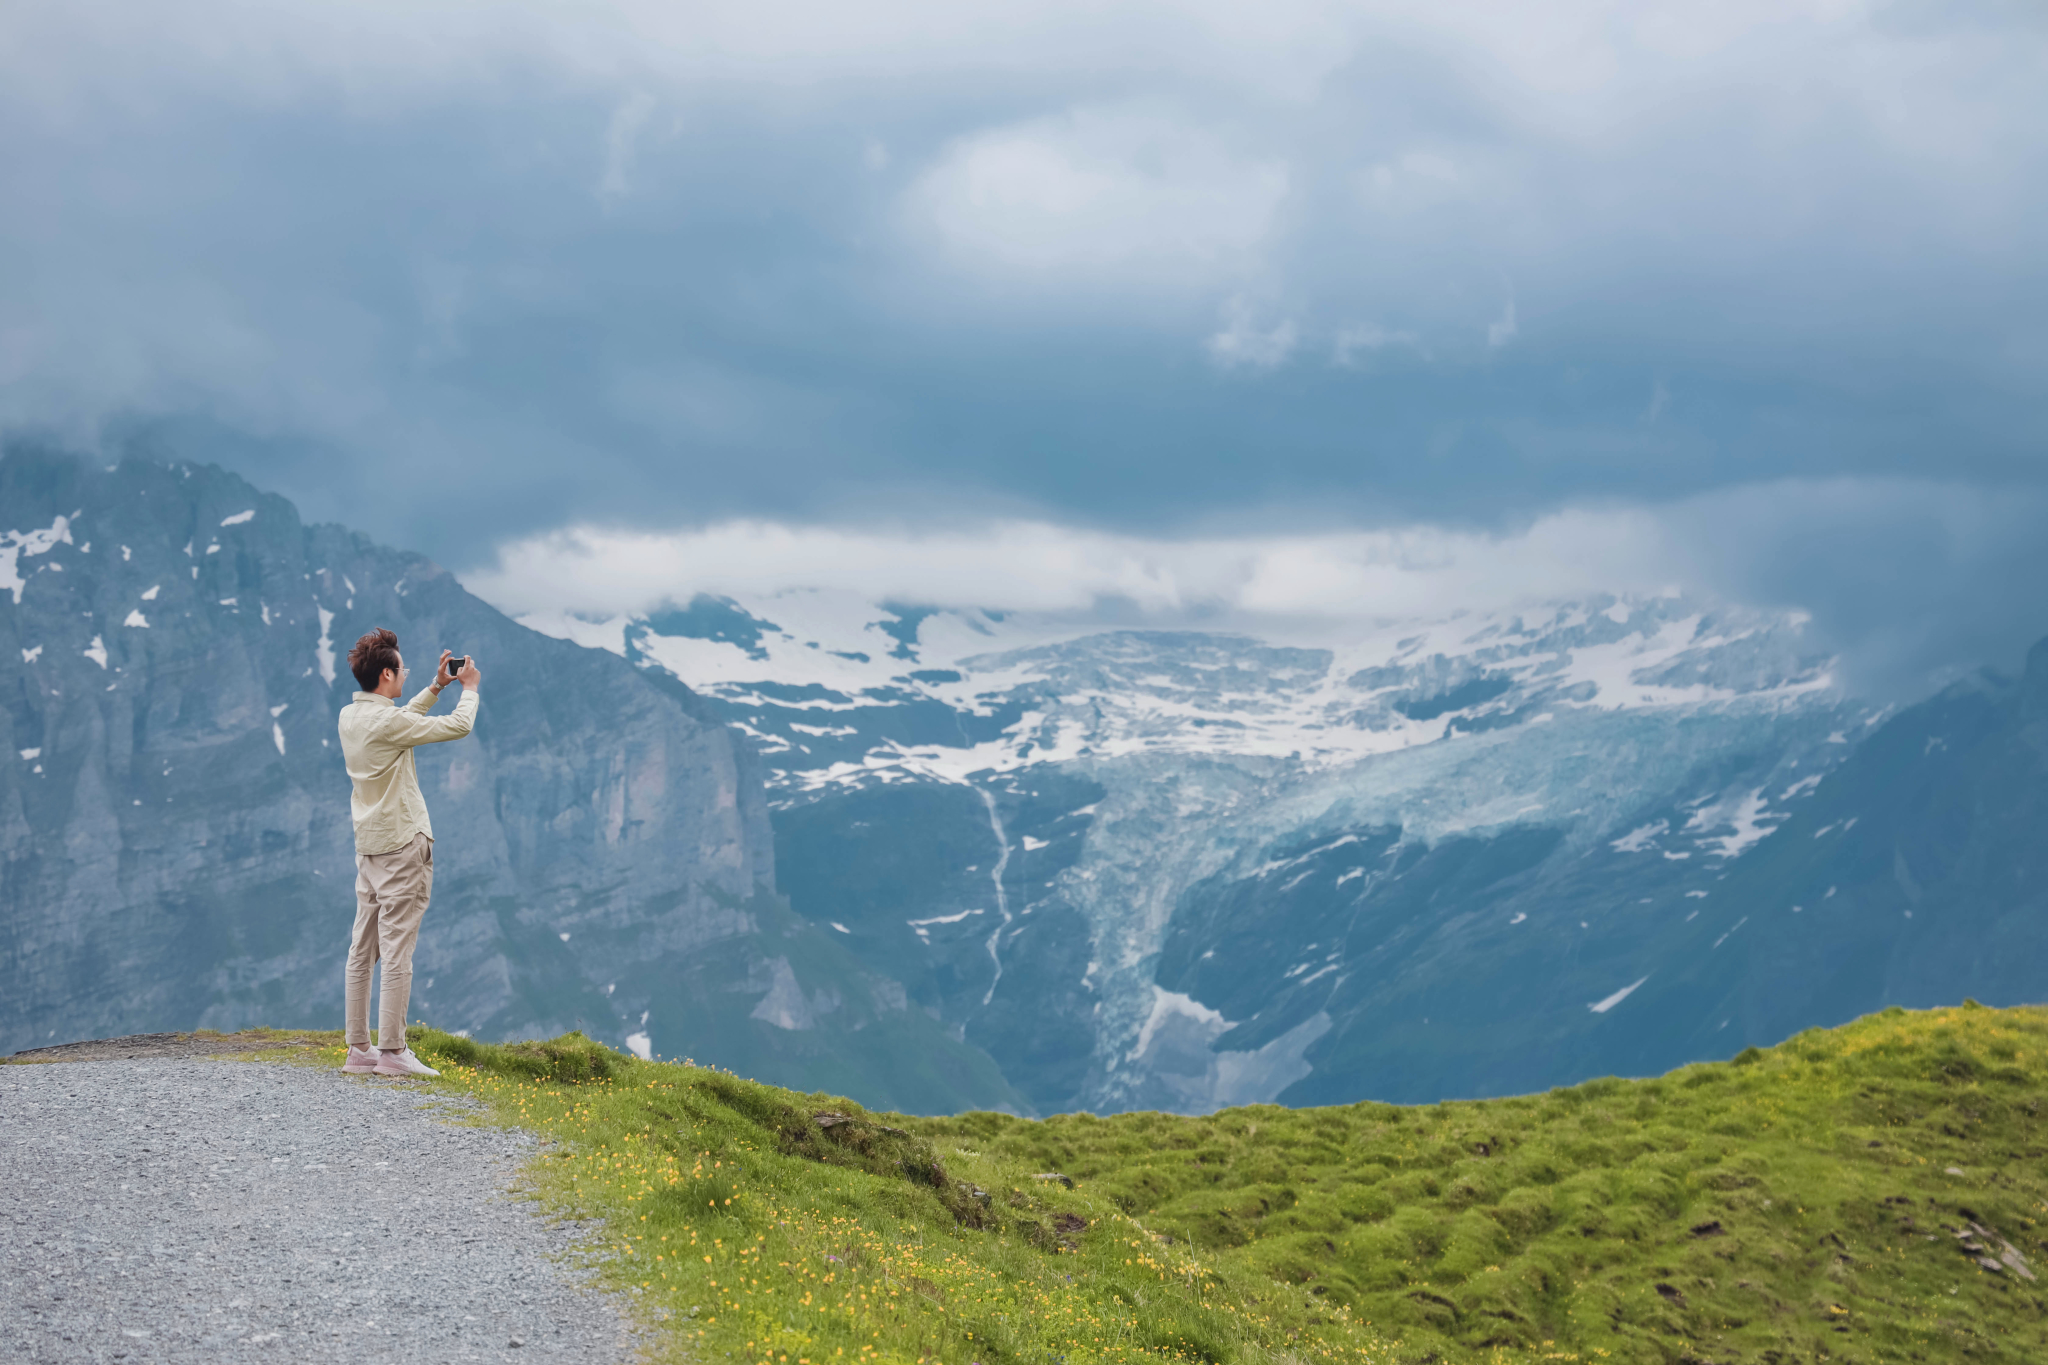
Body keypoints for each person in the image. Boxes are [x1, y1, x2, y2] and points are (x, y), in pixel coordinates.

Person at [336, 628, 481, 1078]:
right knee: (398, 948)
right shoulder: (388, 722)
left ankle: (359, 1048)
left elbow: (398, 722)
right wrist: (468, 690)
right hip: (403, 843)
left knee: (363, 949)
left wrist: (436, 686)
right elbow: (458, 727)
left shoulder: (351, 717)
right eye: (402, 670)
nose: (406, 675)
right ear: (386, 673)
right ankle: (393, 1052)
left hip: (370, 847)